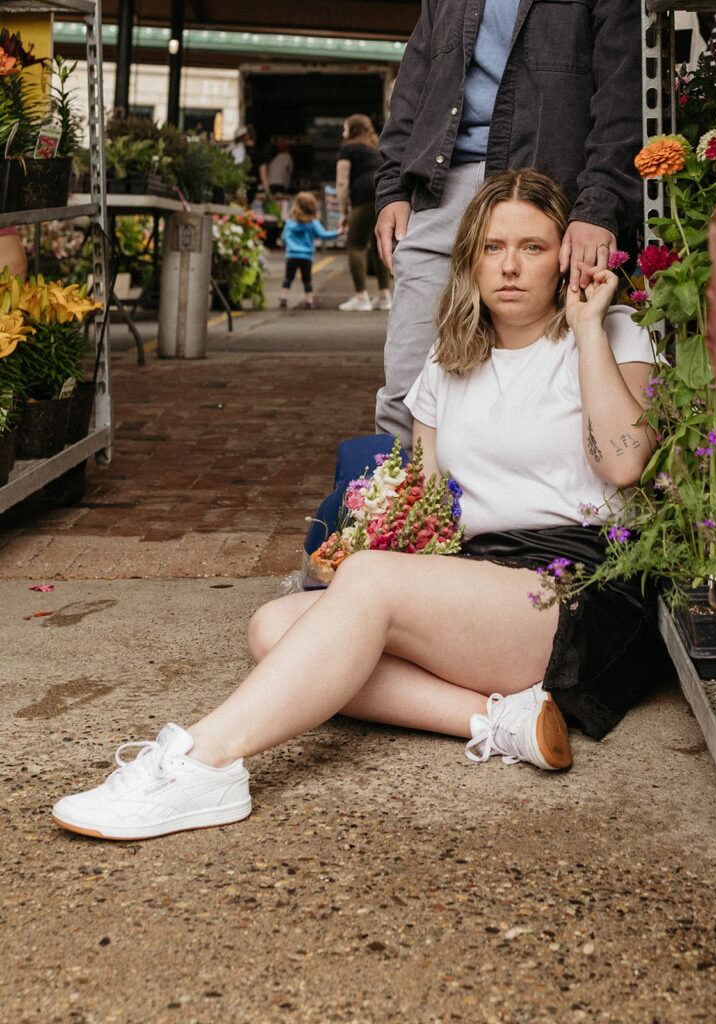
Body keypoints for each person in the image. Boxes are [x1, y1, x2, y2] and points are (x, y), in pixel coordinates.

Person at [51, 169, 662, 843]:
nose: (510, 266)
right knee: (273, 629)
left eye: (533, 247)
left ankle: (205, 761)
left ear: (565, 257)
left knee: (367, 584)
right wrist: (374, 535)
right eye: (491, 248)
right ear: (469, 259)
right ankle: (502, 722)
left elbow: (624, 463)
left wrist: (585, 327)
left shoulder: (614, 332)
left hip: (580, 586)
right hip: (480, 579)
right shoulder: (449, 357)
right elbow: (435, 502)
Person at [373, 0, 643, 443]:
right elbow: (415, 81)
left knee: (558, 386)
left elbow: (623, 90)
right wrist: (392, 189)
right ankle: (401, 510)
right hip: (444, 188)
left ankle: (541, 508)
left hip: (550, 191)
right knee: (406, 389)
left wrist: (598, 205)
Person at [336, 114, 392, 313]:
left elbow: (342, 182)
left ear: (351, 130)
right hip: (382, 197)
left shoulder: (348, 149)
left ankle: (361, 297)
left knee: (355, 245)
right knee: (378, 245)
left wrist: (343, 213)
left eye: (345, 128)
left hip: (363, 198)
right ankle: (385, 296)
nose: (343, 132)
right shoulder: (375, 147)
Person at [278, 191, 339, 309]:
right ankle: (309, 300)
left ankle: (284, 297)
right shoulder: (312, 222)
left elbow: (284, 237)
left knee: (288, 277)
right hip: (306, 256)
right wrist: (338, 232)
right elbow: (323, 235)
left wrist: (289, 246)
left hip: (291, 255)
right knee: (307, 279)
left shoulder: (290, 222)